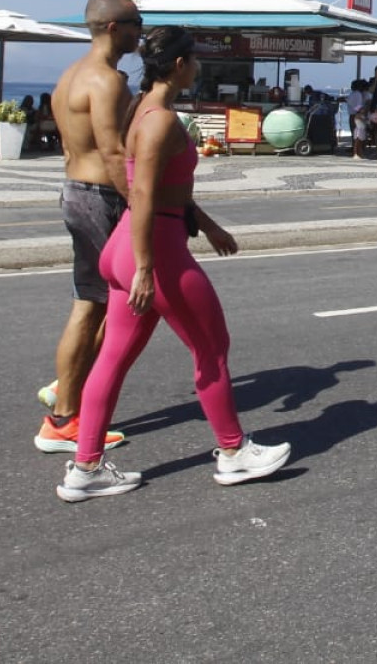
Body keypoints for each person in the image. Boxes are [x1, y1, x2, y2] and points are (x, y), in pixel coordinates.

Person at [58, 26, 290, 502]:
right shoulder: (161, 119)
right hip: (155, 249)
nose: (200, 68)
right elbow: (142, 192)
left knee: (114, 358)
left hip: (124, 246)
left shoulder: (138, 109)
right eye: (196, 60)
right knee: (212, 347)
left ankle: (85, 468)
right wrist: (146, 266)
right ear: (181, 65)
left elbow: (160, 188)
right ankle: (233, 453)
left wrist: (205, 224)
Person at [36, 0, 144, 456]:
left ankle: (67, 393)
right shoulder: (104, 81)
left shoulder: (71, 75)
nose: (142, 32)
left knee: (91, 303)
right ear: (115, 28)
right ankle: (64, 416)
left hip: (76, 190)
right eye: (137, 24)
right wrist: (141, 204)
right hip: (100, 197)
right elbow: (113, 152)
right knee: (99, 307)